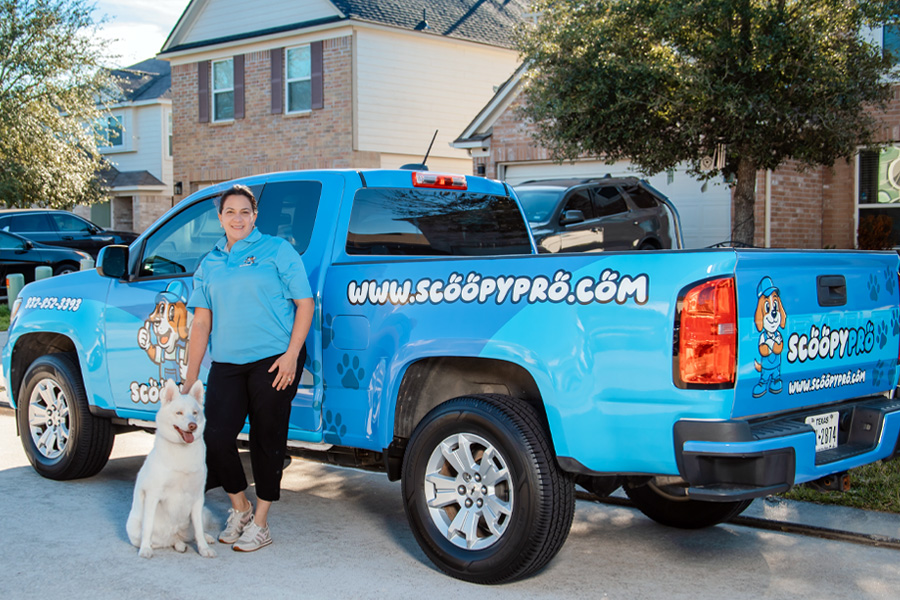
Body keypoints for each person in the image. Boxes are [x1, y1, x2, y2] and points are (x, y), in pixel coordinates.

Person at [182, 184, 314, 552]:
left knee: (266, 437)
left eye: (244, 212)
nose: (237, 218)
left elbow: (305, 304)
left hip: (274, 359)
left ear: (254, 216)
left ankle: (260, 522)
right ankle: (240, 507)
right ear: (220, 217)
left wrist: (291, 355)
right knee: (217, 436)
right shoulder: (209, 263)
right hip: (227, 361)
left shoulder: (276, 250)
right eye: (230, 212)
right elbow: (202, 325)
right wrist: (190, 378)